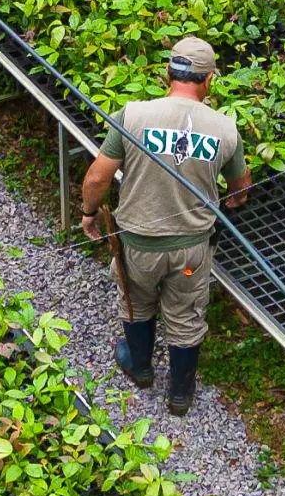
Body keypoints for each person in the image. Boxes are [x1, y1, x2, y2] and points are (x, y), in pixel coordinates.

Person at [78, 35, 251, 416]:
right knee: (187, 314)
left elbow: (96, 179)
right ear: (209, 80)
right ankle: (180, 394)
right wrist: (233, 199)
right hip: (191, 252)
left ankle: (140, 368)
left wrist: (90, 213)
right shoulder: (225, 130)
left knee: (136, 301)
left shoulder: (133, 115)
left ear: (167, 73)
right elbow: (241, 189)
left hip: (137, 245)